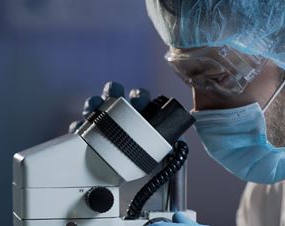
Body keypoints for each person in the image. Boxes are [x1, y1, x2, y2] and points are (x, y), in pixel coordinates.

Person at [71, 1, 285, 225]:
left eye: (217, 77)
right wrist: (142, 196)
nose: (198, 108)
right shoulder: (266, 199)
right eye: (191, 80)